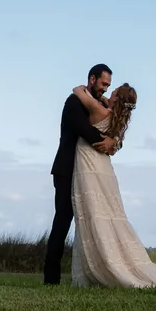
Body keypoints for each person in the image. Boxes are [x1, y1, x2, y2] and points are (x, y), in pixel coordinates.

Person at [65, 79, 156, 288]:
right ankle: (110, 262)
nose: (108, 93)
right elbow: (116, 137)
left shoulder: (98, 109)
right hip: (104, 168)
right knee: (109, 213)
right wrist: (107, 101)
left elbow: (77, 90)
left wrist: (97, 96)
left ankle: (99, 267)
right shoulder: (118, 122)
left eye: (112, 92)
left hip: (88, 164)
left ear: (116, 99)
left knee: (92, 212)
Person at [43, 63, 116, 284]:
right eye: (103, 84)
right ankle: (51, 279)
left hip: (87, 173)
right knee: (63, 221)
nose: (105, 89)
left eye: (108, 85)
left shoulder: (97, 104)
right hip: (66, 170)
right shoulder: (74, 102)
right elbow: (85, 131)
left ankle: (94, 272)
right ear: (92, 79)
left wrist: (115, 140)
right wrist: (109, 141)